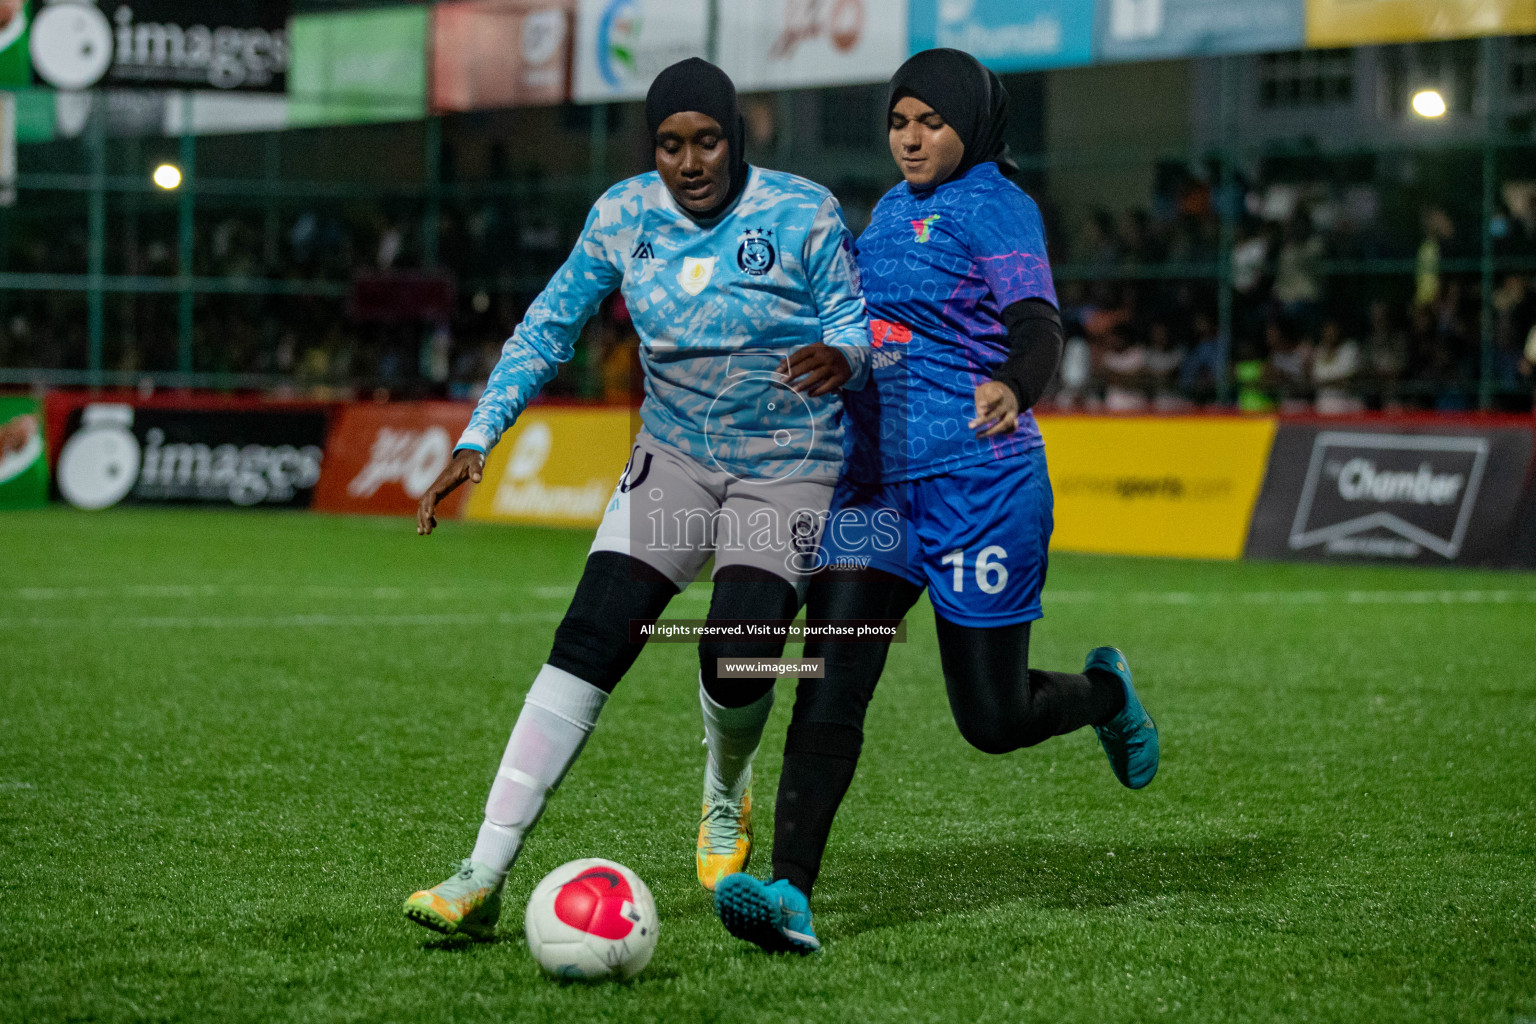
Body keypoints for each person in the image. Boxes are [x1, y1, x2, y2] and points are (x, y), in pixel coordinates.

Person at [401, 58, 871, 939]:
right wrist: (476, 439)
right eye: (669, 144)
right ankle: (481, 871)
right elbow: (547, 327)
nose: (689, 162)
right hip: (675, 458)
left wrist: (845, 356)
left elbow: (851, 320)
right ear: (649, 147)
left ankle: (724, 792)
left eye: (707, 141)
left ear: (737, 138)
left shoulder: (802, 209)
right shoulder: (622, 214)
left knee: (737, 652)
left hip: (787, 461)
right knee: (590, 635)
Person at [711, 49, 1159, 955]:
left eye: (930, 123)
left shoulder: (999, 204)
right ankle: (790, 892)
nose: (911, 140)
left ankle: (1105, 691)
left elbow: (1039, 326)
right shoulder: (883, 216)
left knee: (992, 724)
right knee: (829, 685)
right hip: (874, 491)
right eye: (898, 123)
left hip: (981, 491)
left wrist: (1016, 385)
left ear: (971, 125)